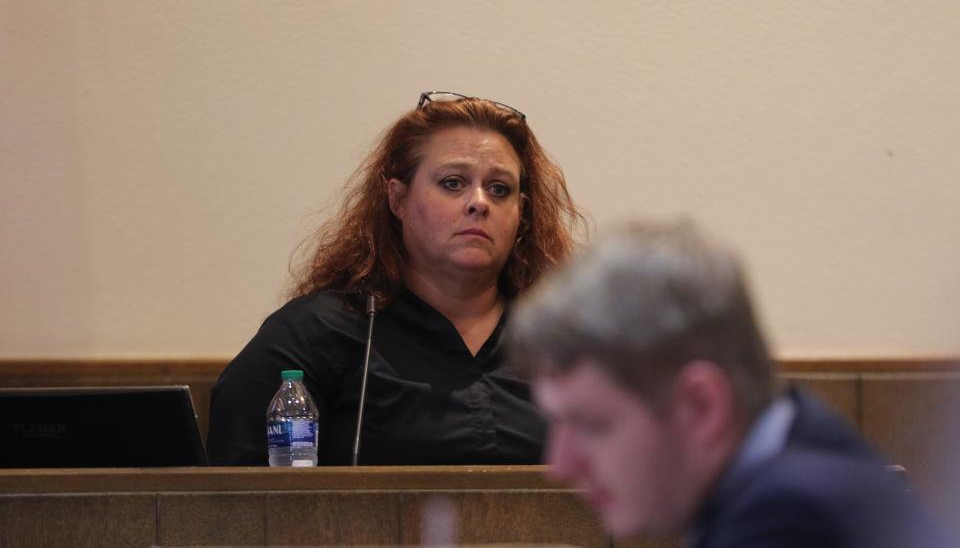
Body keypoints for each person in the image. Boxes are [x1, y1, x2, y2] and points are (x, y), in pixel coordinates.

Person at [507, 220, 951, 547]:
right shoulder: (804, 439)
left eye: (591, 424)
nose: (560, 464)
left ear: (703, 405)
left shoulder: (785, 523)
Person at [207, 91, 584, 466]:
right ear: (398, 200)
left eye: (500, 189)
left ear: (521, 214)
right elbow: (237, 499)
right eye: (453, 183)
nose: (480, 202)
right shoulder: (316, 334)